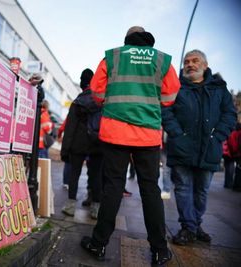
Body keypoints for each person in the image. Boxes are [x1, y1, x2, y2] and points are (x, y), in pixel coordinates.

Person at [80, 26, 180, 265]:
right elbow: (170, 96)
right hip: (147, 135)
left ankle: (99, 244)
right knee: (150, 189)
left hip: (115, 132)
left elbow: (96, 92)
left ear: (127, 39)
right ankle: (159, 250)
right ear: (146, 38)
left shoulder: (113, 56)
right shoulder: (162, 60)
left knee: (113, 186)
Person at [162, 49, 236, 246]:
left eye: (195, 61)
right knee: (183, 188)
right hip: (182, 146)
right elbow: (165, 110)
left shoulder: (219, 88)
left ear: (205, 65)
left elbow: (229, 114)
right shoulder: (175, 86)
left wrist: (218, 135)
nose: (190, 64)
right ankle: (188, 227)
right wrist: (177, 133)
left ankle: (194, 224)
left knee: (201, 190)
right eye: (186, 61)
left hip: (209, 148)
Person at [61, 68, 103, 219]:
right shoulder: (101, 100)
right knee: (96, 175)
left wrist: (65, 150)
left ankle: (71, 206)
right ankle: (96, 208)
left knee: (74, 174)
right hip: (97, 144)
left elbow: (70, 128)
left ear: (82, 82)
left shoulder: (77, 102)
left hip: (78, 144)